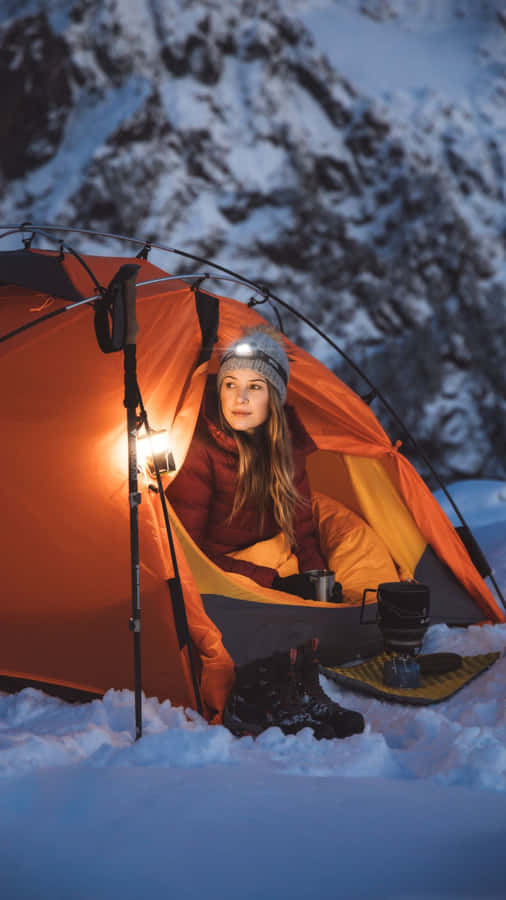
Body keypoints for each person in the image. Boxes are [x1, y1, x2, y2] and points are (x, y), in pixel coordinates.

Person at [166, 325, 364, 740]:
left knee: (299, 587)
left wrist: (314, 583)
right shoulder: (199, 450)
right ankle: (263, 696)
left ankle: (302, 688)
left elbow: (304, 532)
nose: (240, 398)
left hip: (260, 572)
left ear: (273, 397)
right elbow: (185, 552)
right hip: (214, 580)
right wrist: (271, 582)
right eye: (231, 384)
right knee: (269, 602)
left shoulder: (288, 453)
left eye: (254, 387)